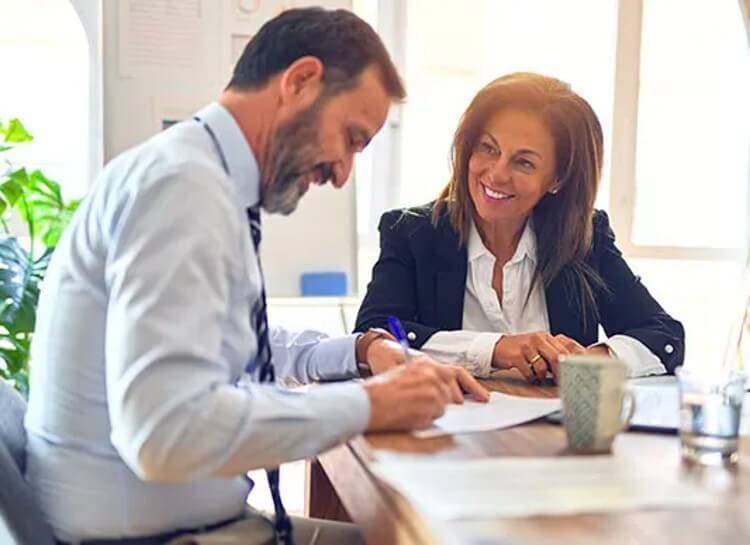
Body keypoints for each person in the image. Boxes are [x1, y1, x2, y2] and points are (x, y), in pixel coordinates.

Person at [25, 8, 488, 545]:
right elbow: (165, 432)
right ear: (300, 81)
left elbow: (237, 347)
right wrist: (371, 404)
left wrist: (360, 353)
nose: (342, 174)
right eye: (352, 138)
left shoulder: (198, 176)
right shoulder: (185, 190)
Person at [355, 72, 684, 384]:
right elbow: (376, 335)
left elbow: (664, 335)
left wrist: (588, 359)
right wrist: (497, 349)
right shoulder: (412, 233)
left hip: (552, 437)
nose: (497, 173)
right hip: (444, 432)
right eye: (488, 148)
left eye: (523, 162)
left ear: (557, 179)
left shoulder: (585, 238)